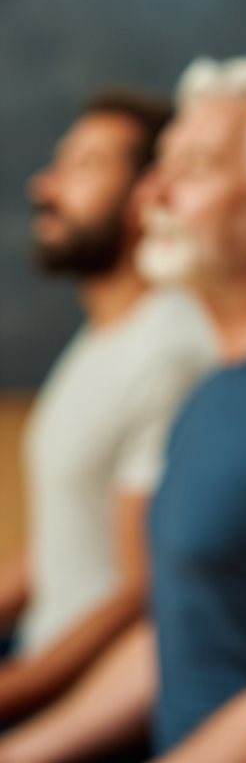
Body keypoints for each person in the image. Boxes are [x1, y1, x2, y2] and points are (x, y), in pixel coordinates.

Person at [0, 57, 246, 763]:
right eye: (160, 164)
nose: (154, 192)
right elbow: (169, 634)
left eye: (196, 167)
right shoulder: (215, 386)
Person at [0, 90, 216, 723]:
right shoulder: (101, 337)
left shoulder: (173, 350)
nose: (46, 186)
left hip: (87, 704)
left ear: (149, 194)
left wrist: (14, 688)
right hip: (37, 654)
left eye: (85, 166)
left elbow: (140, 591)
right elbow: (65, 538)